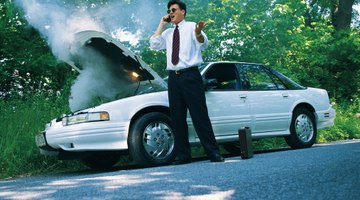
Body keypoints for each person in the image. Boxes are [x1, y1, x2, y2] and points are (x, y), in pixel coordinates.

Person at [150, 0, 224, 164]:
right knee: (177, 117)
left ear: (182, 11)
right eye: (169, 10)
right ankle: (183, 155)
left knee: (200, 115)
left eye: (174, 9)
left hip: (190, 76)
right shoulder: (168, 34)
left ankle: (213, 153)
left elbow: (203, 43)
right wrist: (162, 24)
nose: (171, 13)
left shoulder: (192, 26)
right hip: (173, 78)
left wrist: (198, 32)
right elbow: (154, 44)